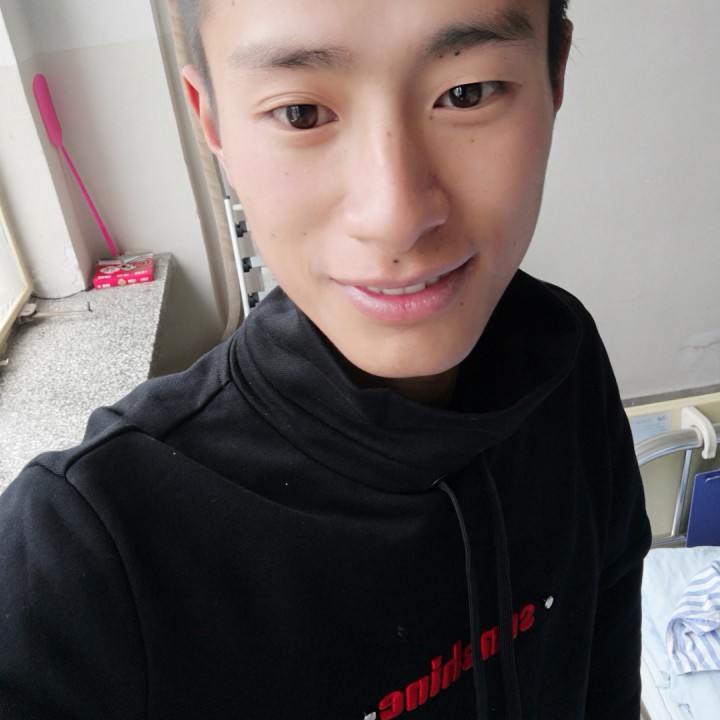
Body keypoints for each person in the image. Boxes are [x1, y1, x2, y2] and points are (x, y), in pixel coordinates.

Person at [0, 0, 651, 717]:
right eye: (301, 113)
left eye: (466, 93)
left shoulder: (565, 362)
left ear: (555, 74)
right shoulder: (84, 549)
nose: (396, 216)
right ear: (211, 120)